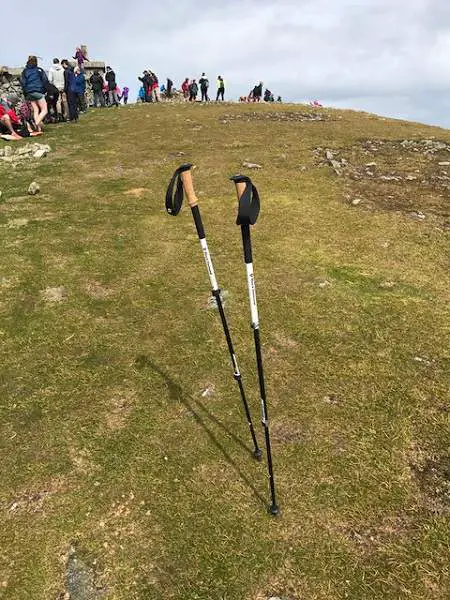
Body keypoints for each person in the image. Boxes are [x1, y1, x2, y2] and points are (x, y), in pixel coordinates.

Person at [20, 56, 48, 132]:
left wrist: (26, 91)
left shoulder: (25, 71)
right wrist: (44, 90)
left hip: (29, 92)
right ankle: (36, 123)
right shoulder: (39, 70)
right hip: (38, 91)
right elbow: (45, 81)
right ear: (36, 62)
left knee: (36, 109)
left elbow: (23, 82)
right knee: (45, 110)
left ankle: (38, 128)